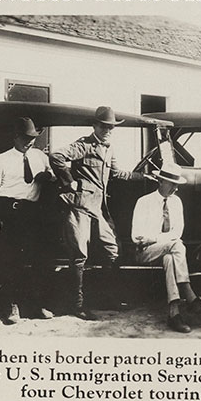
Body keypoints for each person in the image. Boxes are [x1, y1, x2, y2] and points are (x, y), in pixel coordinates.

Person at [50, 105, 138, 317]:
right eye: (104, 126)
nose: (108, 130)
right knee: (80, 254)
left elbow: (117, 173)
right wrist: (70, 181)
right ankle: (76, 304)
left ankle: (107, 298)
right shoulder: (85, 145)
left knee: (111, 249)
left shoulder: (109, 148)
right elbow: (56, 156)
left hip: (97, 208)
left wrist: (143, 177)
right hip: (80, 206)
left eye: (111, 127)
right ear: (95, 126)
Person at [0, 117, 54, 323]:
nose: (30, 141)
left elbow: (52, 176)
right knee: (12, 262)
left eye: (33, 137)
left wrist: (48, 177)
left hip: (33, 215)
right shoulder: (1, 160)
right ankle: (12, 307)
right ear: (15, 137)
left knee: (39, 261)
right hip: (10, 214)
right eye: (25, 138)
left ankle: (37, 305)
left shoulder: (41, 156)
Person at [131, 163, 201, 333]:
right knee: (176, 245)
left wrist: (154, 238)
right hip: (145, 252)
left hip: (168, 250)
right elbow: (137, 237)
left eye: (177, 185)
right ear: (161, 181)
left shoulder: (176, 202)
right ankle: (189, 293)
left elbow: (178, 232)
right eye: (172, 184)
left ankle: (174, 313)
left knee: (170, 257)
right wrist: (159, 239)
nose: (176, 189)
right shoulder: (144, 202)